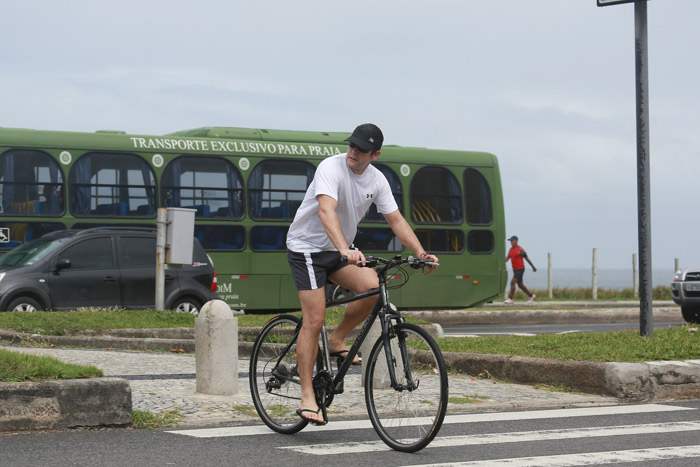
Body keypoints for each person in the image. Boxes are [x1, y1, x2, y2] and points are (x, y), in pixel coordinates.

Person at [286, 123, 439, 426]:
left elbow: (396, 220)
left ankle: (337, 339)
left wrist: (421, 253)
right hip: (307, 248)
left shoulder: (377, 179)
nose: (353, 151)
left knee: (372, 287)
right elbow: (326, 211)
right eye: (351, 145)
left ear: (375, 154)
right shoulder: (331, 168)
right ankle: (307, 397)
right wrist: (345, 249)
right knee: (313, 319)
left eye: (361, 149)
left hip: (339, 250)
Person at [505, 235, 536, 304]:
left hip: (520, 269)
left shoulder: (520, 249)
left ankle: (510, 299)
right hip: (515, 269)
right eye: (510, 241)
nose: (510, 242)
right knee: (520, 285)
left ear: (516, 241)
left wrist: (533, 267)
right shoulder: (510, 249)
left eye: (512, 241)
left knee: (513, 282)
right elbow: (507, 259)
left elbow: (527, 259)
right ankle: (531, 296)